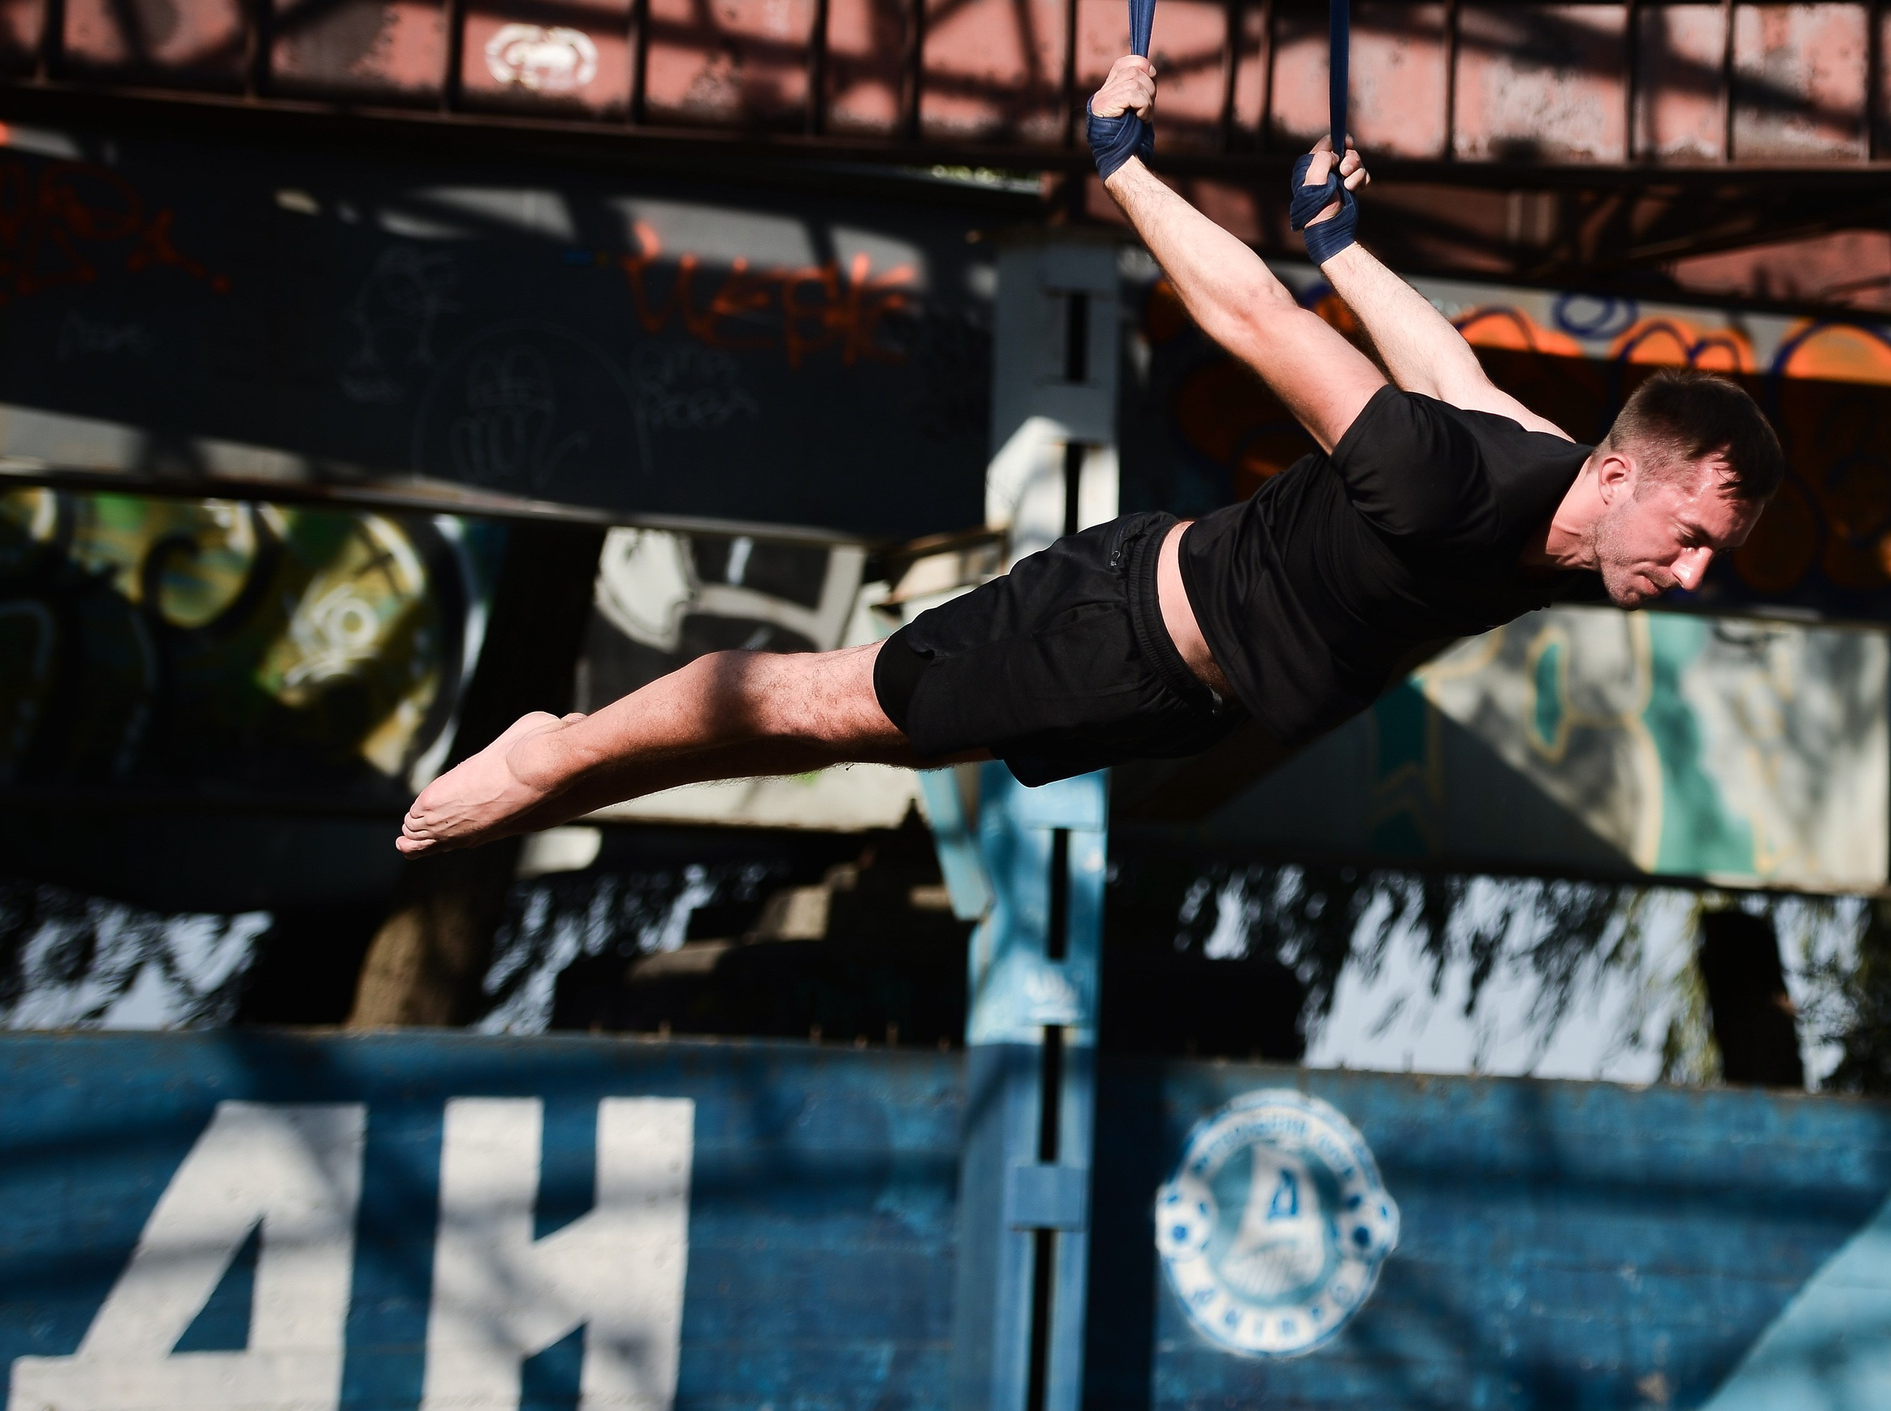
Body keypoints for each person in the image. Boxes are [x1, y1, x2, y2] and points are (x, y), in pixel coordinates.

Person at [397, 54, 1782, 856]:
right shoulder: (1439, 478)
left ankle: (569, 765)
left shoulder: (1557, 481)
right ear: (1622, 475)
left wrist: (1344, 241)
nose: (1698, 570)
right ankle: (551, 752)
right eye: (1697, 533)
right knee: (825, 705)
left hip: (1170, 697)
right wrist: (1123, 165)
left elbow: (1449, 365)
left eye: (1716, 553)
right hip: (1110, 630)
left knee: (867, 746)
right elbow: (1247, 317)